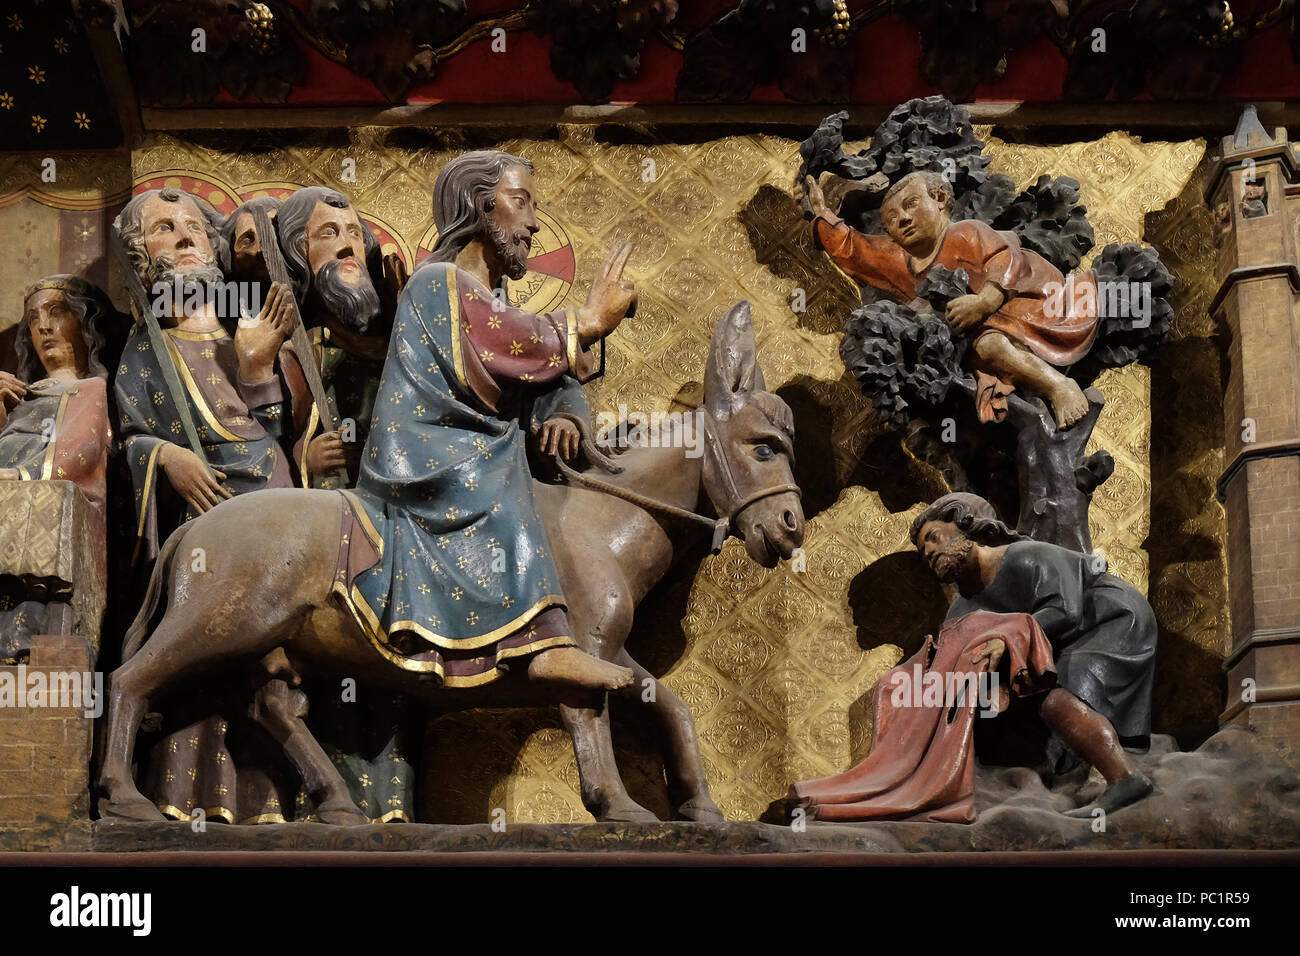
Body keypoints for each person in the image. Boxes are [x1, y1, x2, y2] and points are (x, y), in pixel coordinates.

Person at [338, 149, 635, 690]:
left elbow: (541, 372)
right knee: (495, 469)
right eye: (519, 203)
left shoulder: (487, 300)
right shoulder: (438, 282)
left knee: (506, 460)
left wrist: (565, 413)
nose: (533, 223)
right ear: (479, 204)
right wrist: (589, 319)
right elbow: (511, 340)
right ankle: (543, 642)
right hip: (427, 450)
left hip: (461, 444)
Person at [791, 492, 1155, 821]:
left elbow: (1066, 609)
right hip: (1063, 641)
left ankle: (1124, 779)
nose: (929, 552)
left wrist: (1005, 640)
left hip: (1110, 619)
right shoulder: (964, 605)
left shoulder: (1025, 557)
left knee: (1057, 704)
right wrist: (905, 685)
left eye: (934, 537)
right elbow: (952, 659)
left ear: (969, 526)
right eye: (922, 550)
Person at [805, 170, 1100, 428]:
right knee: (983, 347)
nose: (903, 219)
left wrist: (985, 301)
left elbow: (1006, 259)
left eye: (911, 205)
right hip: (978, 333)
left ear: (940, 199)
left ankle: (1060, 387)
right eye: (892, 221)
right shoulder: (899, 260)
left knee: (989, 344)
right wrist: (822, 215)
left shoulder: (965, 233)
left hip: (1027, 300)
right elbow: (857, 250)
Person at [0, 275, 116, 659]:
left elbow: (80, 448)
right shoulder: (19, 394)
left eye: (57, 313)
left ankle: (22, 646)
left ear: (86, 323)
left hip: (46, 495)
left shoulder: (90, 390)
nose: (44, 327)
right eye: (33, 319)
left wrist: (22, 476)